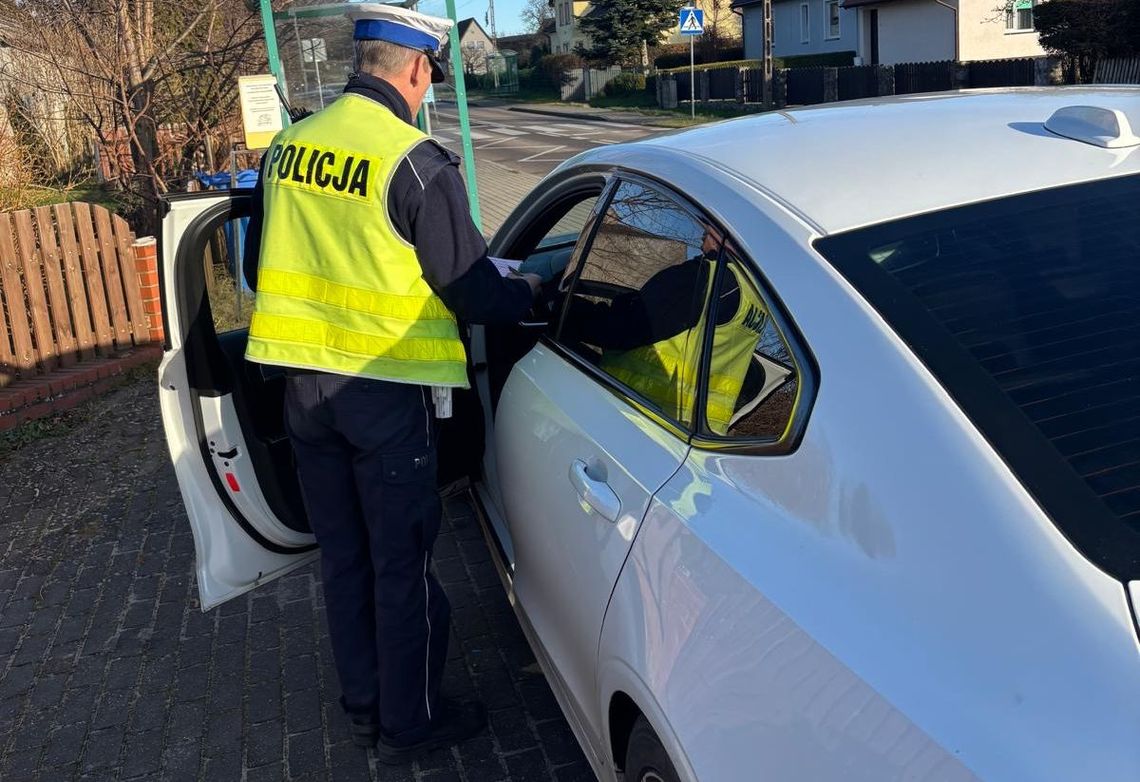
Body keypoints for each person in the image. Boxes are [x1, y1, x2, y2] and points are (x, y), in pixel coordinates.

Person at [241, 2, 541, 764]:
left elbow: (256, 268)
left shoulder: (288, 149)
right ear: (415, 69)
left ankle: (363, 700)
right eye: (430, 77)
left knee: (345, 560)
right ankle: (411, 724)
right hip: (382, 395)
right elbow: (472, 289)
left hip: (302, 397)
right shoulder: (414, 161)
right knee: (400, 564)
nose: (426, 89)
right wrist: (534, 294)